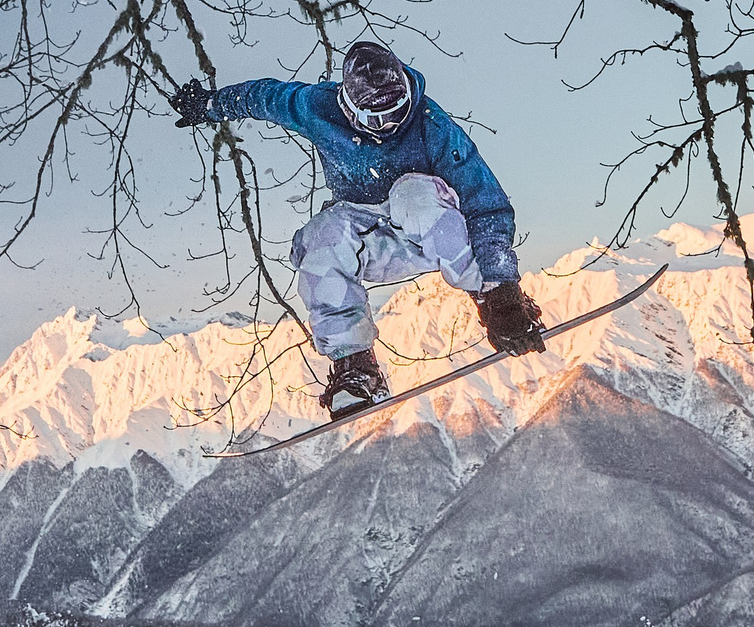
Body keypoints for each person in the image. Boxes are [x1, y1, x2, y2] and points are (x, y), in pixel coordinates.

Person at [172, 41, 544, 418]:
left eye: (397, 113)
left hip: (430, 227)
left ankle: (487, 295)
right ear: (349, 109)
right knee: (319, 236)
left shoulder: (432, 124)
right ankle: (355, 366)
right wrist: (211, 106)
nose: (389, 127)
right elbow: (263, 97)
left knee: (412, 194)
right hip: (369, 236)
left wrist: (503, 289)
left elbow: (485, 202)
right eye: (375, 120)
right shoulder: (316, 107)